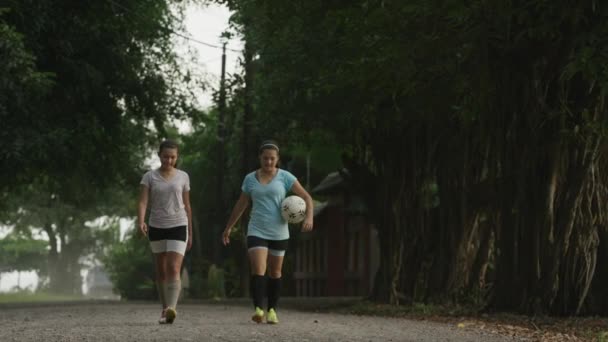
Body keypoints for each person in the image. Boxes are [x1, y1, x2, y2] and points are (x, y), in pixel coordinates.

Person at [222, 140, 314, 324]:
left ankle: (272, 310)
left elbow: (306, 197)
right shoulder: (250, 179)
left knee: (275, 272)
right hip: (257, 229)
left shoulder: (285, 177)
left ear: (277, 159)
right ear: (260, 158)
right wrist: (229, 227)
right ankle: (258, 309)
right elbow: (241, 204)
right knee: (258, 269)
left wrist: (309, 217)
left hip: (279, 232)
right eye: (265, 158)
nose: (269, 162)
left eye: (272, 159)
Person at [138, 140, 192, 324]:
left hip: (179, 224)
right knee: (161, 270)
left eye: (173, 157)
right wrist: (141, 221)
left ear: (177, 158)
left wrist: (190, 232)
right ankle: (164, 309)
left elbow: (187, 204)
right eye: (166, 156)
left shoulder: (183, 176)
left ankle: (171, 309)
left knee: (173, 267)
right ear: (159, 155)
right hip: (157, 226)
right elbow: (143, 202)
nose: (169, 160)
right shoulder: (149, 177)